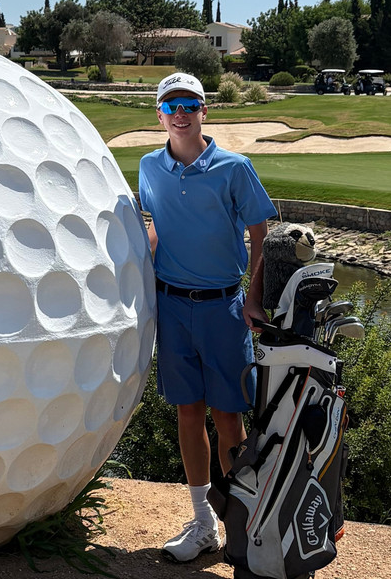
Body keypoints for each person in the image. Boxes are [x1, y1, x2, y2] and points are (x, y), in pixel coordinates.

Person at [138, 73, 275, 563]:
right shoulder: (148, 166)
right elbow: (157, 229)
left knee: (228, 419)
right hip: (171, 305)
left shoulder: (234, 167)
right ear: (159, 113)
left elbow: (261, 231)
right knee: (188, 412)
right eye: (170, 104)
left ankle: (239, 523)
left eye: (189, 104)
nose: (180, 112)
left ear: (204, 110)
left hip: (224, 307)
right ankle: (202, 523)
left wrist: (254, 297)